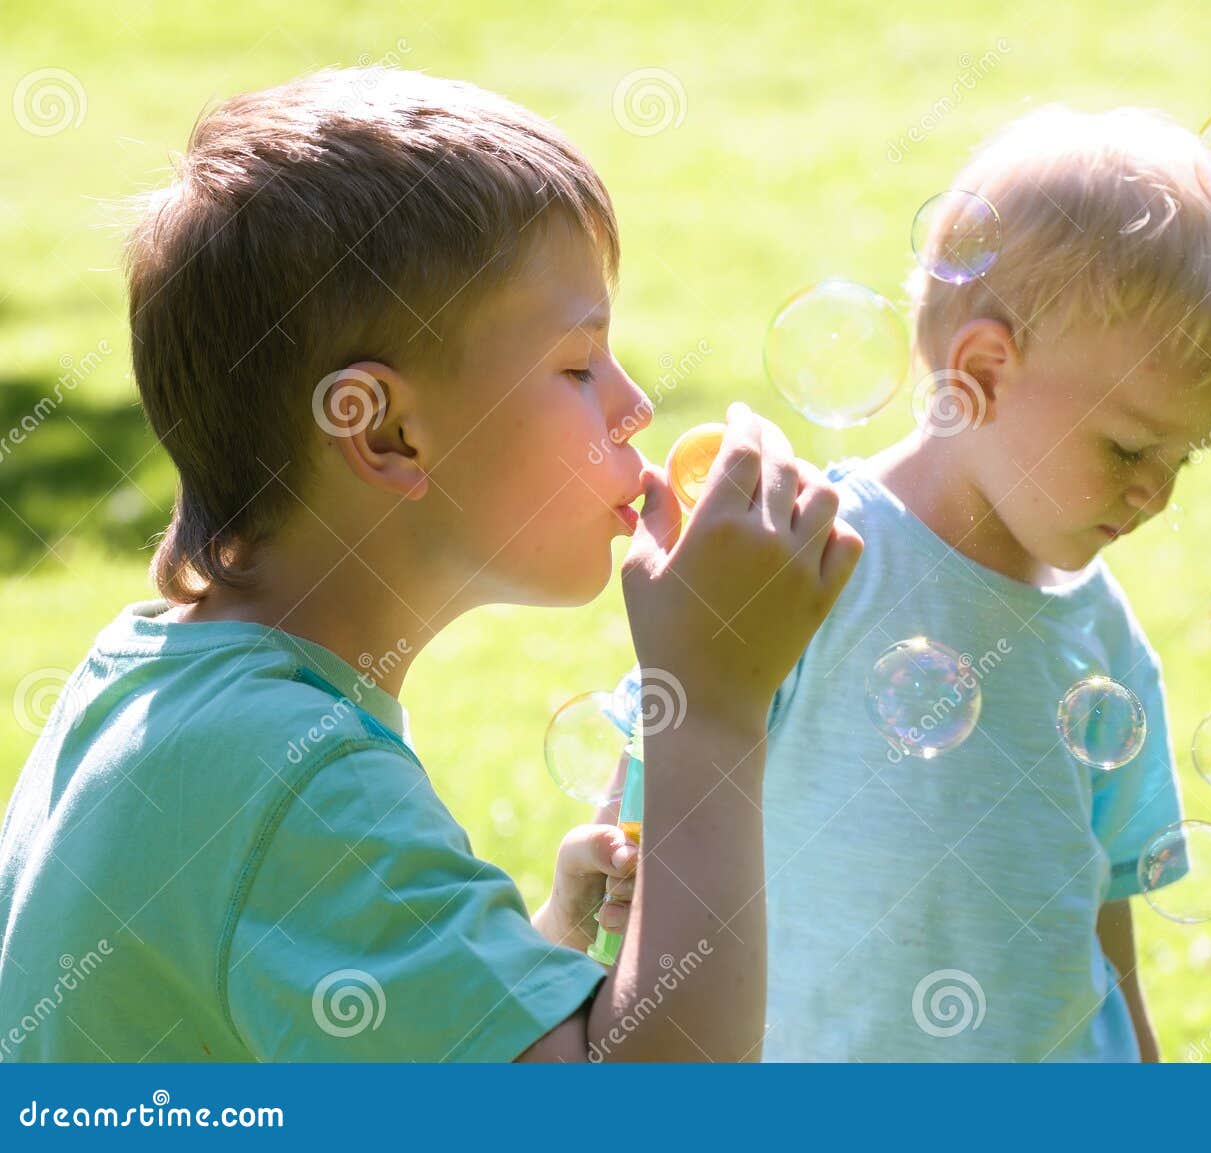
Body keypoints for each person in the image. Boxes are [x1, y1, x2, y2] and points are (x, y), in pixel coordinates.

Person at [0, 67, 861, 1063]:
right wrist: (708, 705)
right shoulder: (296, 786)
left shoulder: (175, 693)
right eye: (579, 367)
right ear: (388, 432)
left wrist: (529, 962)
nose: (632, 406)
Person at [761, 105, 1211, 1060]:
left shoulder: (1103, 637)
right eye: (1129, 445)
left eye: (1182, 459)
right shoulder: (812, 558)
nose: (1156, 491)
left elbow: (1102, 900)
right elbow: (658, 791)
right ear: (986, 373)